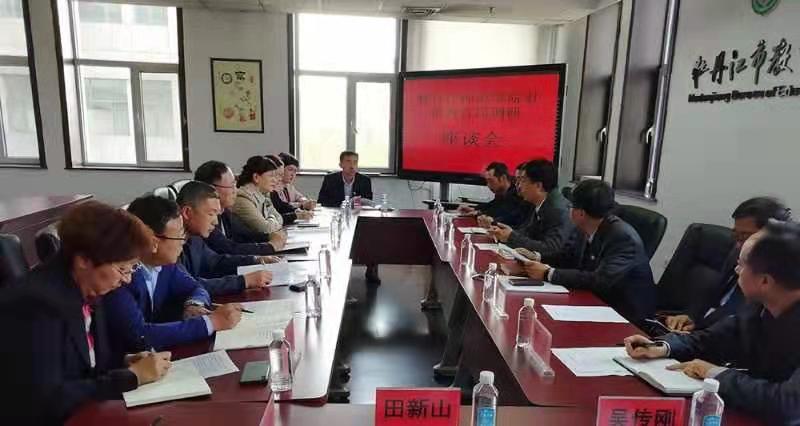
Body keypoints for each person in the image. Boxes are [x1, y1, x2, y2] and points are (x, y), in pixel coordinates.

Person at [0, 201, 171, 425]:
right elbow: (47, 398)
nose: (127, 279)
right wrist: (131, 377)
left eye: (132, 268)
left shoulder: (87, 289)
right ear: (84, 260)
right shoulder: (36, 304)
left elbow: (82, 364)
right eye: (122, 269)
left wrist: (124, 361)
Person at [624, 221, 800, 424]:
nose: (736, 270)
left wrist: (713, 373)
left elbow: (788, 404)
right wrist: (661, 347)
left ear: (765, 281)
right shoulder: (760, 306)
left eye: (742, 265)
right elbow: (712, 339)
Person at [103, 196, 243, 353]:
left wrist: (194, 304)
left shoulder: (166, 265)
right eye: (179, 236)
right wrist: (210, 323)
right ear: (154, 242)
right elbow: (139, 334)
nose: (183, 241)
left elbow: (196, 288)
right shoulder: (121, 277)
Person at [519, 179, 656, 324]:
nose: (568, 210)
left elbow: (600, 280)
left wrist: (548, 273)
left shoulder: (623, 238)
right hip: (594, 302)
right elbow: (567, 256)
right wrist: (537, 258)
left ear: (581, 213)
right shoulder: (585, 226)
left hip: (625, 315)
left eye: (571, 206)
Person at [664, 197, 791, 332]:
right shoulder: (736, 252)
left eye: (745, 237)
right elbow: (713, 294)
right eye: (736, 236)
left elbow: (740, 324)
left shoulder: (778, 285)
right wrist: (691, 317)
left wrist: (699, 334)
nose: (739, 245)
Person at [176, 182, 274, 296]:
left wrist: (254, 260)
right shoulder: (169, 243)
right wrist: (243, 281)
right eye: (211, 214)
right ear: (187, 212)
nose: (216, 222)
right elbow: (185, 286)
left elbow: (216, 262)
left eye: (217, 215)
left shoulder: (195, 238)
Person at [194, 160, 286, 255]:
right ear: (212, 189)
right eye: (232, 185)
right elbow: (227, 248)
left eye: (235, 184)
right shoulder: (203, 218)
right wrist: (270, 246)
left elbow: (245, 234)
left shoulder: (225, 212)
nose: (236, 190)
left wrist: (270, 237)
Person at [487, 159, 573, 257]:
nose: (519, 186)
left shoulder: (557, 209)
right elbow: (528, 232)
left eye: (523, 181)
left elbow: (550, 248)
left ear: (538, 186)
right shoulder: (539, 202)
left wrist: (511, 237)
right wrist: (505, 233)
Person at [460, 162, 527, 228]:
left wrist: (480, 213)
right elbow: (492, 205)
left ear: (503, 178)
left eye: (491, 181)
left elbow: (503, 213)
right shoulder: (501, 194)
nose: (488, 185)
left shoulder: (516, 195)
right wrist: (474, 209)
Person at [232, 156, 285, 234]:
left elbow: (280, 218)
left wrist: (270, 220)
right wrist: (272, 218)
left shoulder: (264, 194)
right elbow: (265, 229)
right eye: (271, 176)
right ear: (256, 177)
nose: (275, 180)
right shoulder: (242, 199)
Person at [266, 154, 314, 225]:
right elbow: (272, 219)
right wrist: (299, 211)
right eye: (290, 170)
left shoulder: (289, 187)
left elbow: (282, 207)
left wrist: (304, 204)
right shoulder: (273, 189)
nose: (293, 174)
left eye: (295, 171)